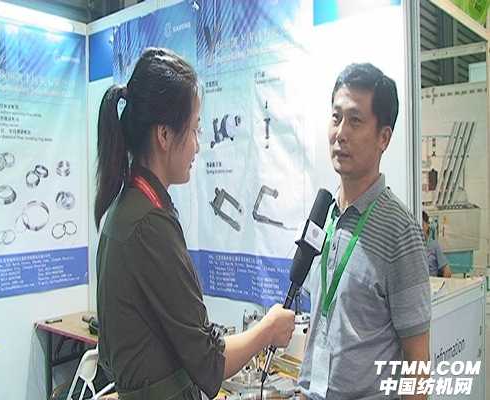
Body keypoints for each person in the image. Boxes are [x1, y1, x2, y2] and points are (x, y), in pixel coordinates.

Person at [95, 48, 295, 400]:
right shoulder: (149, 225)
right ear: (164, 135)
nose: (198, 146)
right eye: (194, 130)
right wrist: (268, 329)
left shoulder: (129, 208)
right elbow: (210, 364)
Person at [298, 63, 431, 399]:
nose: (340, 133)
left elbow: (417, 362)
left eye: (355, 121)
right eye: (336, 117)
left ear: (384, 137)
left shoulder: (401, 232)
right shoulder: (325, 214)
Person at [422, 211, 452, 277]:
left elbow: (447, 271)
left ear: (427, 225)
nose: (419, 228)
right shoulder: (413, 246)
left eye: (422, 225)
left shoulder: (434, 245)